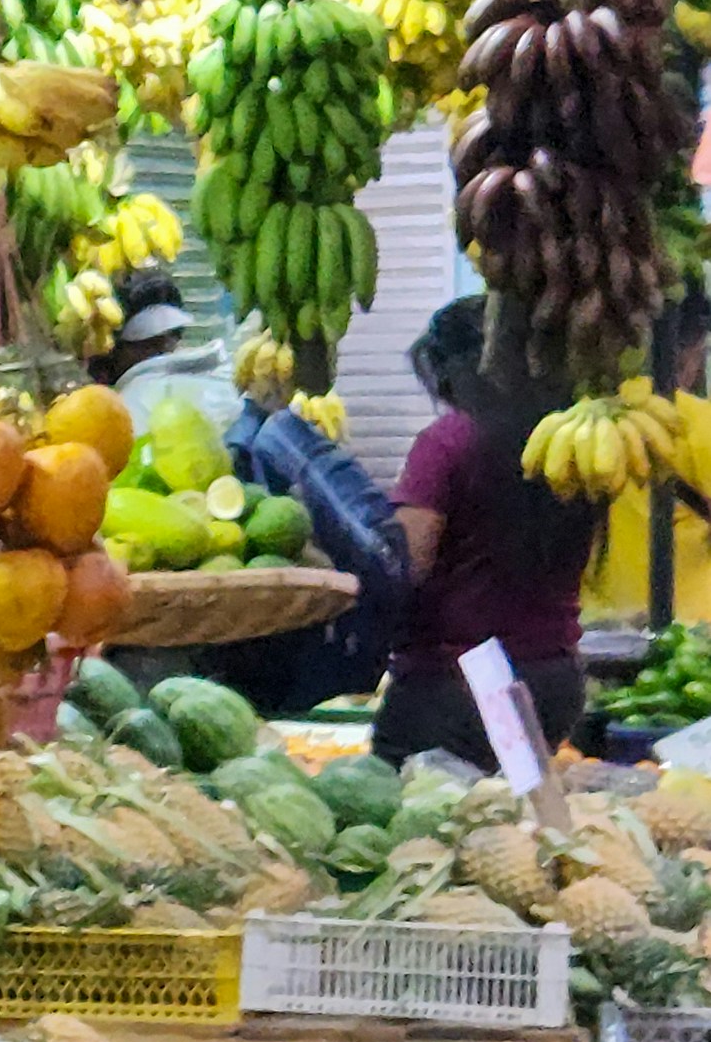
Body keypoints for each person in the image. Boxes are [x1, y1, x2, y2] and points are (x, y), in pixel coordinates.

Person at [378, 295, 597, 769]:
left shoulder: (448, 441)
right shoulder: (567, 439)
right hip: (553, 681)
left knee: (424, 827)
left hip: (458, 688)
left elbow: (407, 559)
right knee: (520, 828)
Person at [208, 365, 407, 719]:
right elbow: (383, 558)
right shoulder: (273, 439)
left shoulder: (274, 439)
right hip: (305, 659)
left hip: (295, 661)